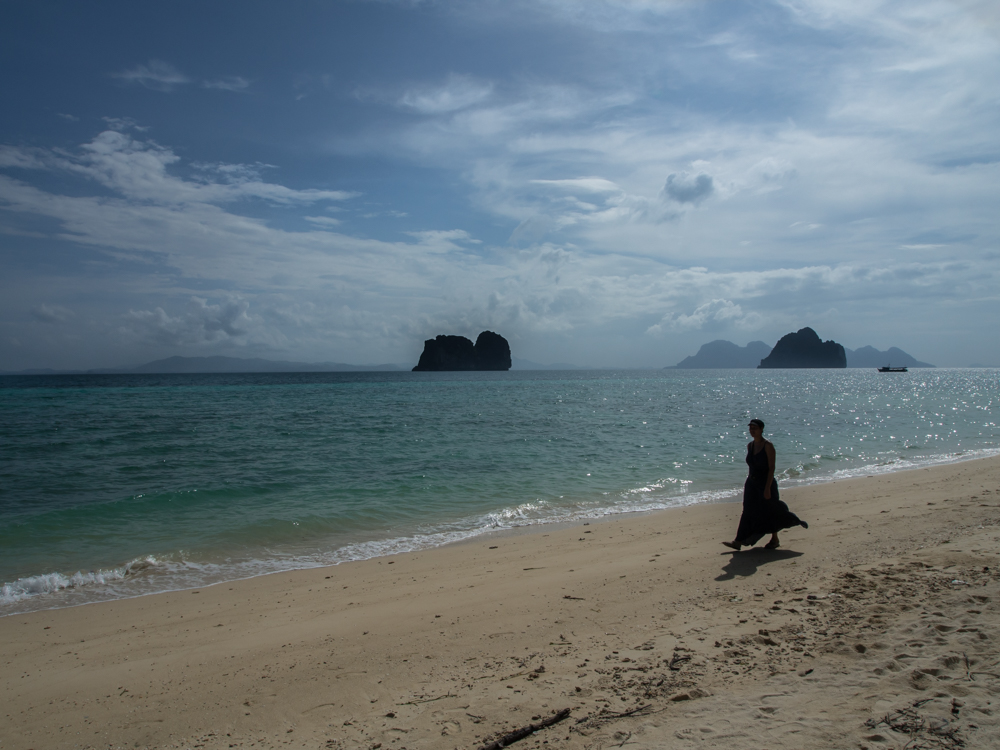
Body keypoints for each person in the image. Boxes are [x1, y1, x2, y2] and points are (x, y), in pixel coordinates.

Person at [722, 419, 807, 551]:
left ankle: (775, 539)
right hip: (751, 483)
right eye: (750, 428)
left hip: (766, 482)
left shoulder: (768, 446)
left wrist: (767, 488)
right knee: (747, 510)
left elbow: (772, 468)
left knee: (771, 509)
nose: (752, 431)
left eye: (755, 428)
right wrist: (751, 482)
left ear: (761, 429)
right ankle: (738, 541)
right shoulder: (750, 446)